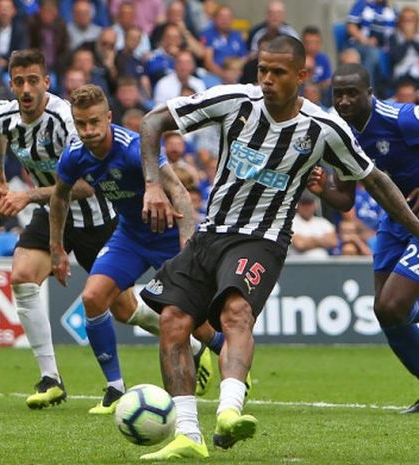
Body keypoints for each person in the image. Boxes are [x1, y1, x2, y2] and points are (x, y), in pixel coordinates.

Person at [137, 36, 419, 460]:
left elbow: (373, 179)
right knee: (174, 321)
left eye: (278, 72)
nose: (266, 80)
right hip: (211, 232)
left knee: (235, 310)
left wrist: (415, 226)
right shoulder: (233, 100)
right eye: (262, 71)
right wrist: (152, 184)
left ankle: (230, 411)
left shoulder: (324, 129)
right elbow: (152, 121)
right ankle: (188, 435)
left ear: (302, 76)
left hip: (263, 238)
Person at [0, 49, 159, 410]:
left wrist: (26, 196)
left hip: (96, 217)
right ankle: (50, 378)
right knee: (21, 276)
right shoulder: (3, 115)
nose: (26, 89)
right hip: (52, 214)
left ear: (46, 82)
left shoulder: (68, 119)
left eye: (33, 80)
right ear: (11, 84)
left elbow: (87, 185)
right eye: (18, 81)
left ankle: (192, 345)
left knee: (125, 310)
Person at [49, 84, 220, 414]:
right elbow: (59, 196)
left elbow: (179, 192)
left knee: (198, 323)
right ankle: (115, 389)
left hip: (169, 237)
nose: (88, 131)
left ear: (109, 117)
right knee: (93, 297)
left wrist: (187, 246)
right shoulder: (74, 155)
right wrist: (56, 247)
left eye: (94, 122)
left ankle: (231, 363)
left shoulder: (133, 148)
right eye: (81, 123)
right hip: (129, 236)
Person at [308, 62, 419, 414]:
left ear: (369, 93)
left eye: (352, 93)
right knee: (386, 312)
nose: (343, 100)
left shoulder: (403, 118)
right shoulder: (339, 133)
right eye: (337, 94)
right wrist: (323, 189)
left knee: (392, 305)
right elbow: (346, 199)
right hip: (394, 221)